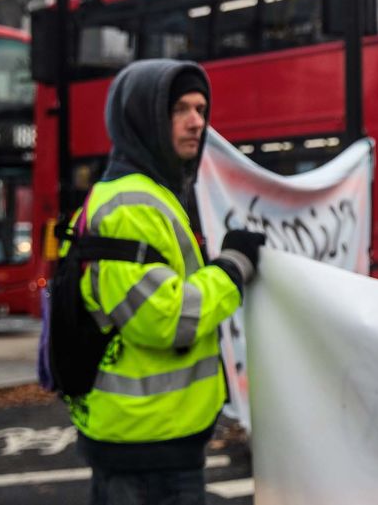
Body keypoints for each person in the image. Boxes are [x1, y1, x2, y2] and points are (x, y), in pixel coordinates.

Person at [70, 59, 265, 505]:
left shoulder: (154, 195)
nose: (198, 122)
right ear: (143, 117)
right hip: (145, 448)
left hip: (156, 437)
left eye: (201, 108)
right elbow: (165, 318)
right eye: (180, 108)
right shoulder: (130, 205)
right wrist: (233, 267)